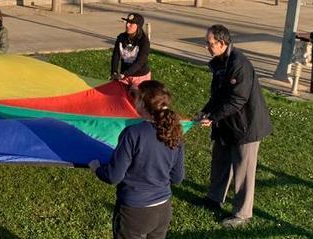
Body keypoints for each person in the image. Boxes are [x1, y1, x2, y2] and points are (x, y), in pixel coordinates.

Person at [194, 24, 273, 228]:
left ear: (222, 43)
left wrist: (213, 116)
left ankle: (242, 214)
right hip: (227, 124)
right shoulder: (220, 62)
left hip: (245, 125)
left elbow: (238, 99)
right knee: (220, 161)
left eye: (209, 43)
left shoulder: (239, 64)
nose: (207, 47)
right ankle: (214, 198)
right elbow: (219, 95)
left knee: (243, 170)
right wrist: (206, 111)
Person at [88, 80, 185, 239]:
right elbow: (177, 178)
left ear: (143, 103)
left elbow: (114, 176)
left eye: (136, 98)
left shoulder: (133, 133)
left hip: (135, 212)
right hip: (163, 209)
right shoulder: (175, 133)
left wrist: (97, 168)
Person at [111, 13, 151, 92]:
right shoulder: (121, 37)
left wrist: (125, 74)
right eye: (127, 22)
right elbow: (115, 56)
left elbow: (140, 61)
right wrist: (114, 72)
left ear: (138, 26)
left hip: (140, 76)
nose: (127, 25)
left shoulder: (144, 41)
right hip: (124, 76)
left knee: (136, 101)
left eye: (131, 23)